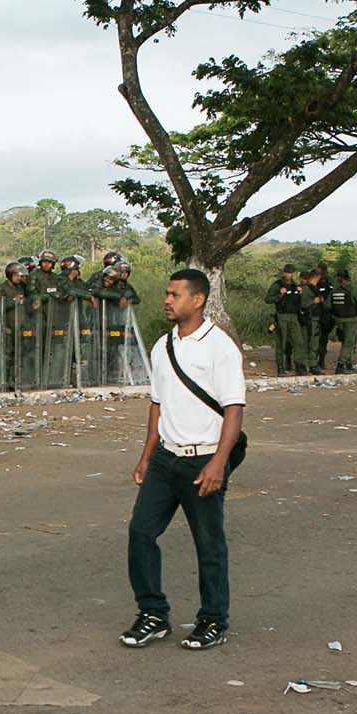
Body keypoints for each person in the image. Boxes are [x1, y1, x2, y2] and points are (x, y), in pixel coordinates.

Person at [120, 268, 245, 652]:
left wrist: (218, 463)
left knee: (208, 546)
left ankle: (213, 621)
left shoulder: (220, 347)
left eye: (175, 294)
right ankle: (153, 614)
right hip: (165, 459)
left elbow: (233, 409)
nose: (167, 300)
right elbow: (158, 404)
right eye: (167, 294)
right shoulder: (163, 346)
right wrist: (146, 455)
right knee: (141, 534)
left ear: (199, 299)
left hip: (202, 460)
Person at [264, 264, 306, 376]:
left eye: (291, 272)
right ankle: (281, 367)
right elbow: (268, 299)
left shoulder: (295, 285)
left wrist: (300, 294)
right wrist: (279, 295)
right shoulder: (278, 285)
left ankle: (299, 365)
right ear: (284, 272)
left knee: (299, 342)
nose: (289, 274)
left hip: (294, 316)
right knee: (281, 342)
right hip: (282, 316)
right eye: (287, 272)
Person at [329, 268, 357, 374]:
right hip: (351, 320)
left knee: (345, 342)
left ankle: (348, 365)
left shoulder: (334, 290)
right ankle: (341, 365)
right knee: (349, 343)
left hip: (338, 320)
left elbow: (328, 305)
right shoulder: (353, 289)